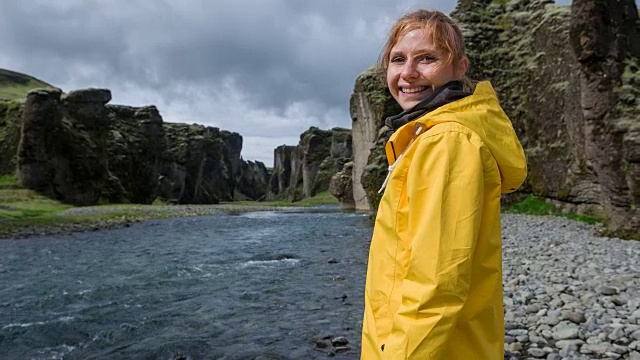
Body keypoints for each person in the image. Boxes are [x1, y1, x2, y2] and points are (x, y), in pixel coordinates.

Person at [360, 9, 527, 360]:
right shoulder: (425, 138)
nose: (408, 73)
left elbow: (436, 286)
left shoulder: (446, 143)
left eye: (427, 59)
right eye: (398, 59)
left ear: (460, 67)